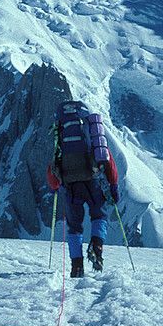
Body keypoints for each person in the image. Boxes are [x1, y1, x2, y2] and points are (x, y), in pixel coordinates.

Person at [46, 100, 120, 278]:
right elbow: (107, 159)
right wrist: (113, 186)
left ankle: (76, 266)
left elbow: (53, 168)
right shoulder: (90, 133)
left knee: (74, 226)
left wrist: (55, 187)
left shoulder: (61, 135)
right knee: (99, 215)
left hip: (71, 186)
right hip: (92, 180)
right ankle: (97, 245)